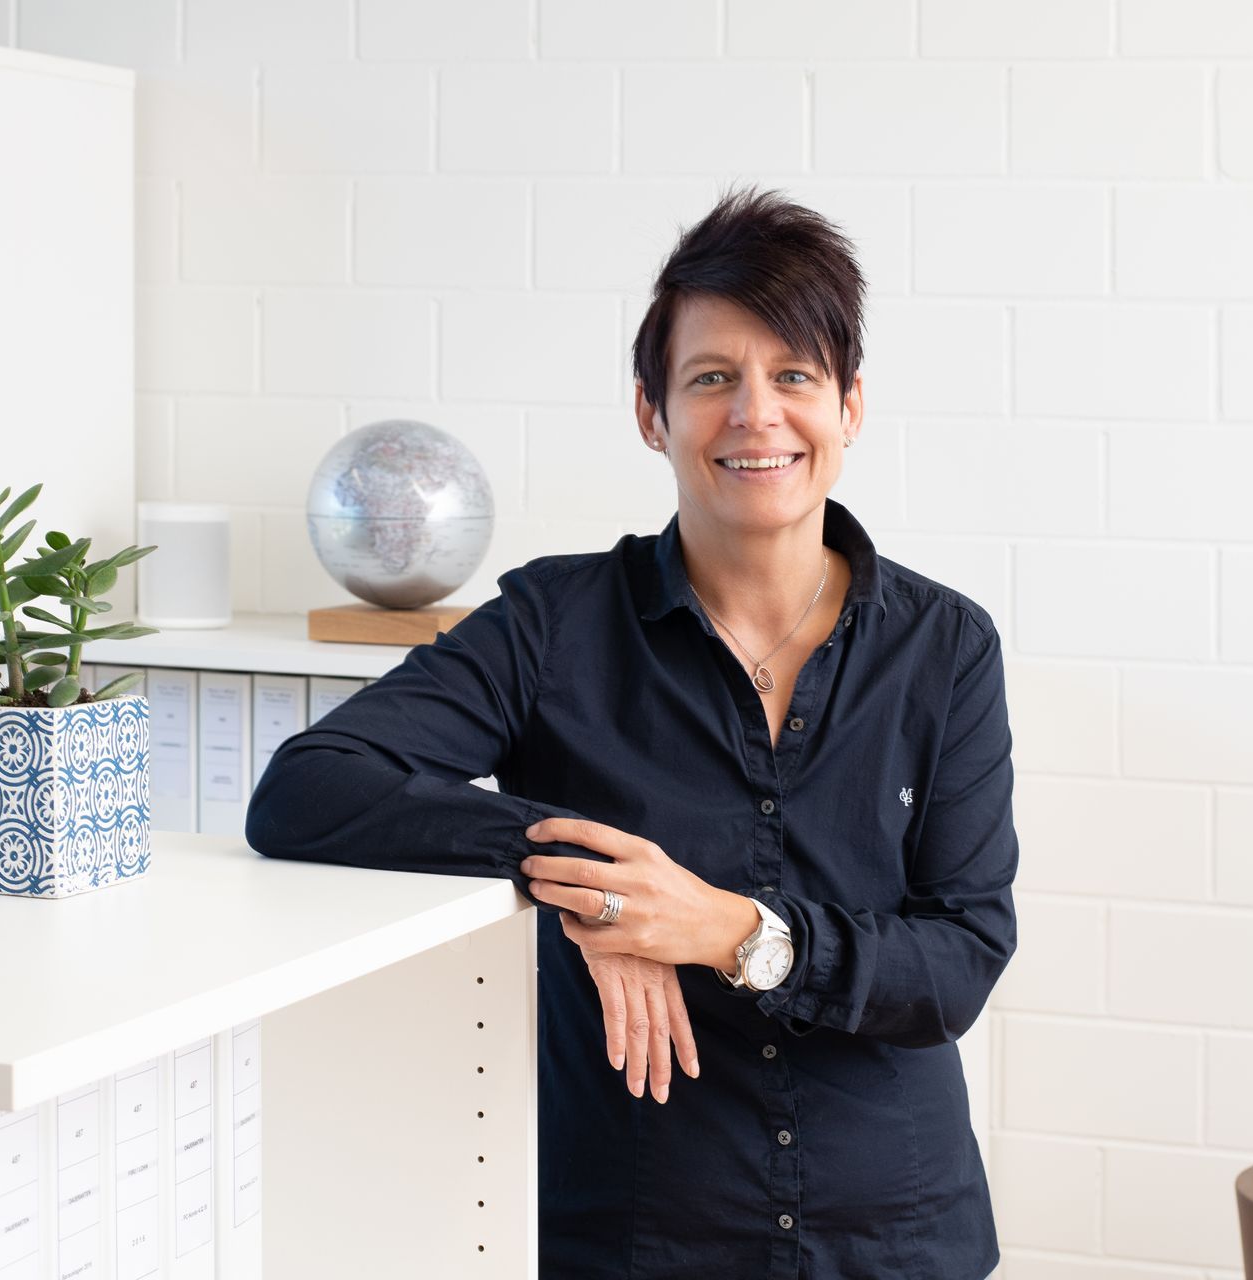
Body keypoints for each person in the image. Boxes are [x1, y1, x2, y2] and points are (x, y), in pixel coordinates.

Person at [246, 186, 1019, 1279]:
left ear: (849, 407)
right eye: (712, 379)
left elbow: (960, 960)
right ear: (652, 412)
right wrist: (597, 881)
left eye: (792, 375)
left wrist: (724, 926)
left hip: (895, 1236)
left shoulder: (946, 648)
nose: (755, 414)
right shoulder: (552, 624)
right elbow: (307, 787)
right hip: (635, 1235)